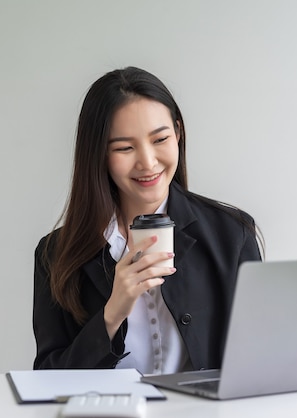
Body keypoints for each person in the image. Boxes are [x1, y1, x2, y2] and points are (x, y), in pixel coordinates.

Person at [33, 66, 263, 374]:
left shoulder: (232, 234)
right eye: (125, 147)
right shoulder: (56, 254)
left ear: (178, 133)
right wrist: (112, 314)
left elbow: (259, 362)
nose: (148, 162)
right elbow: (48, 377)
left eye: (160, 139)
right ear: (99, 154)